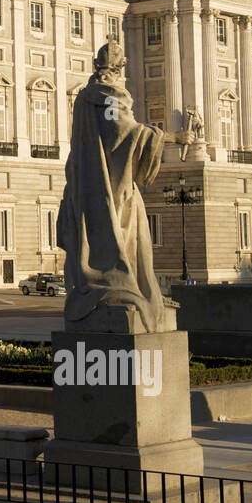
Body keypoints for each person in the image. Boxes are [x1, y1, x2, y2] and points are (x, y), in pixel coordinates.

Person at [58, 39, 166, 332]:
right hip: (112, 188)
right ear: (119, 69)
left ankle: (114, 288)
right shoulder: (109, 95)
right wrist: (160, 137)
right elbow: (119, 135)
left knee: (102, 240)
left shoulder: (84, 97)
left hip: (87, 186)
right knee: (129, 241)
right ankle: (121, 288)